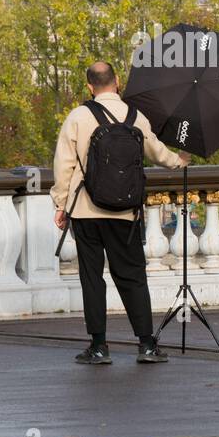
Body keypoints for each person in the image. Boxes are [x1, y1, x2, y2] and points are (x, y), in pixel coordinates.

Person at [52, 61, 189, 364]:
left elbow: (64, 166)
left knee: (92, 278)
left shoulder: (78, 116)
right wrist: (180, 160)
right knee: (132, 276)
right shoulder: (135, 116)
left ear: (89, 86)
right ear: (116, 81)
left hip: (85, 209)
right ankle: (147, 345)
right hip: (125, 211)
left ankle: (99, 346)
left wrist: (61, 205)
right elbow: (157, 152)